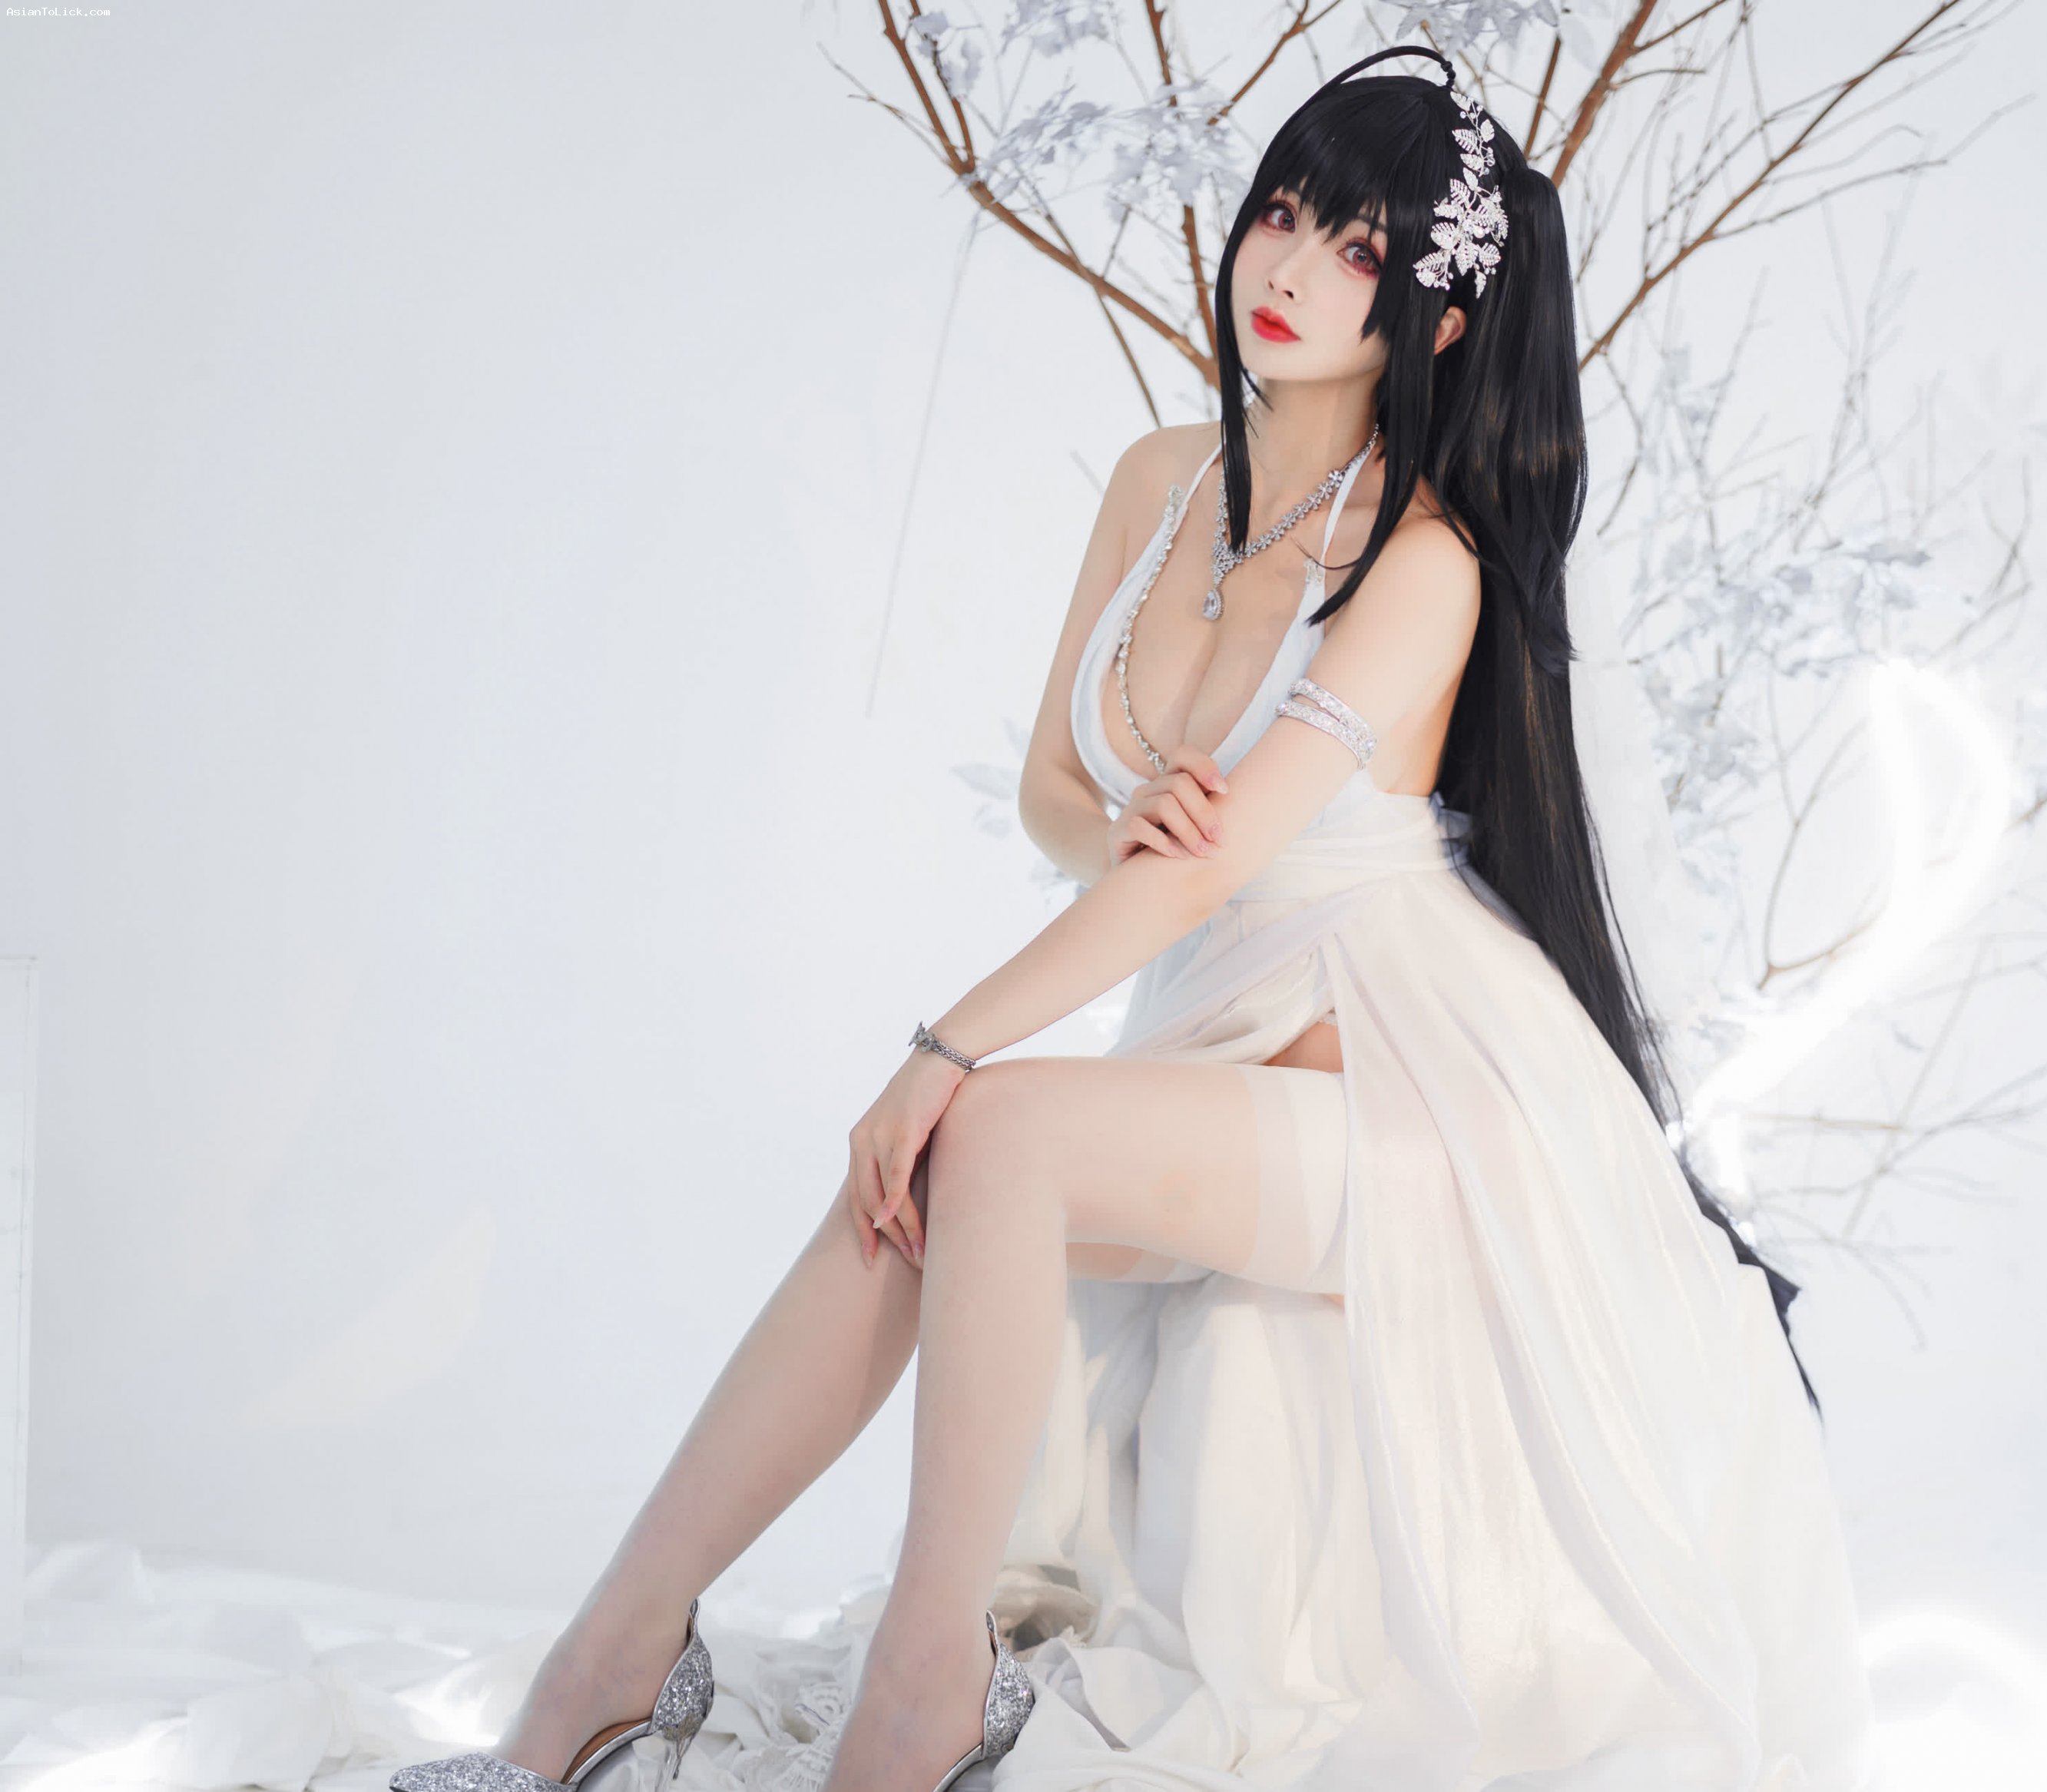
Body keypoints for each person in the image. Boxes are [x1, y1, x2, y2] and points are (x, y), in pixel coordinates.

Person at [387, 44, 1873, 1792]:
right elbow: (1056, 793)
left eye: (1358, 250)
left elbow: (1210, 869)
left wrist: (948, 1042)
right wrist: (1120, 826)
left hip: (1417, 1110)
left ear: (1441, 319)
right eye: (1284, 211)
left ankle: (916, 1698)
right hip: (1218, 1036)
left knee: (981, 1126)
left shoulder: (1428, 562)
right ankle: (609, 1664)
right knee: (915, 1182)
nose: (1288, 266)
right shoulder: (1160, 477)